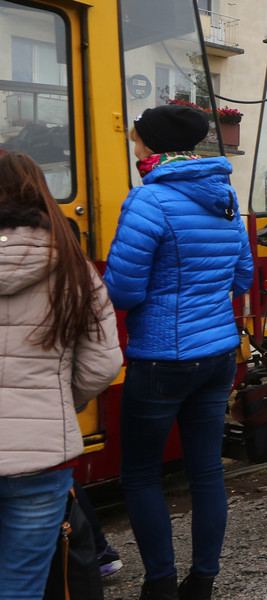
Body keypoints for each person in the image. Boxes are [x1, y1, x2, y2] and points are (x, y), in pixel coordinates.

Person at [103, 105, 253, 599]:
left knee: (142, 474)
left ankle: (161, 583)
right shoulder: (225, 196)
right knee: (207, 472)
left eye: (136, 138)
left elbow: (122, 292)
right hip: (217, 355)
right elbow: (242, 277)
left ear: (153, 145)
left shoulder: (149, 201)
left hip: (161, 358)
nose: (133, 145)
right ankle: (203, 581)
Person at [0, 153, 122, 599]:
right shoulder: (73, 268)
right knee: (22, 583)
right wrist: (55, 404)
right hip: (40, 461)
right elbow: (103, 364)